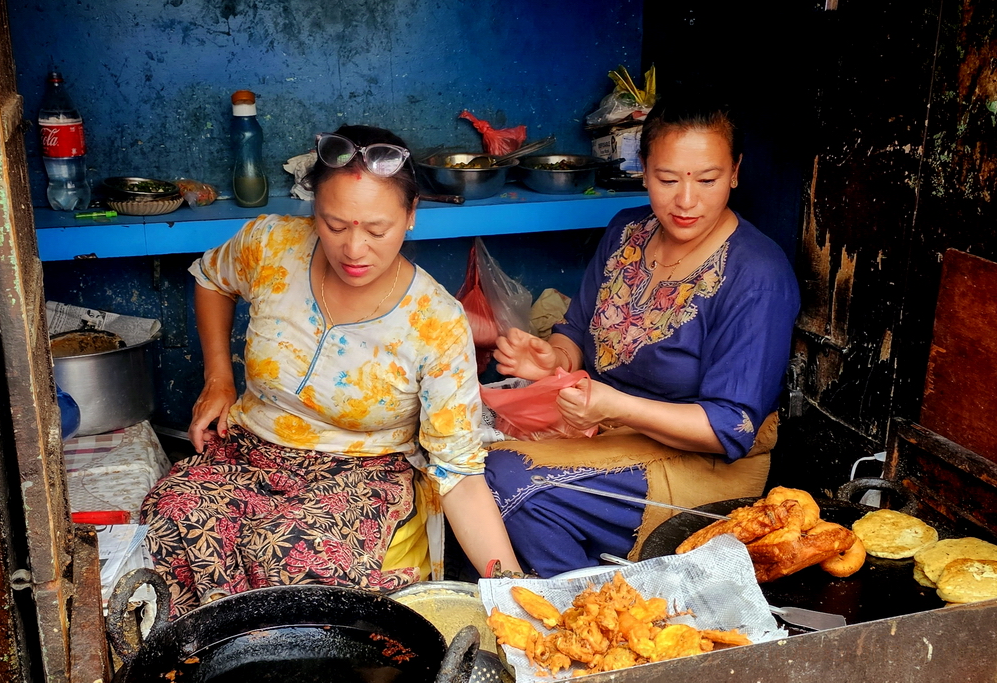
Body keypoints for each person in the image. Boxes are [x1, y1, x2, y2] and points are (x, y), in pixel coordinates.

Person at [141, 125, 520, 616]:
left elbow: (460, 474)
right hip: (251, 450)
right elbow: (212, 278)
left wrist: (510, 591)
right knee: (172, 514)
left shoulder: (435, 323)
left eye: (376, 229)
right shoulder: (273, 243)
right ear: (313, 210)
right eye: (334, 225)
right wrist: (219, 376)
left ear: (410, 216)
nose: (354, 249)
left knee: (293, 553)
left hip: (360, 472)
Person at [484, 98, 801, 577]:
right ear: (644, 172)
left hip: (702, 468)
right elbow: (576, 333)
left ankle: (594, 608)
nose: (686, 200)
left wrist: (614, 406)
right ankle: (591, 592)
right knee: (466, 456)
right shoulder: (626, 232)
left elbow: (728, 428)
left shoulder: (756, 274)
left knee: (510, 483)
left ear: (735, 172)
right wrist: (553, 360)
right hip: (612, 434)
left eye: (708, 179)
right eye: (667, 179)